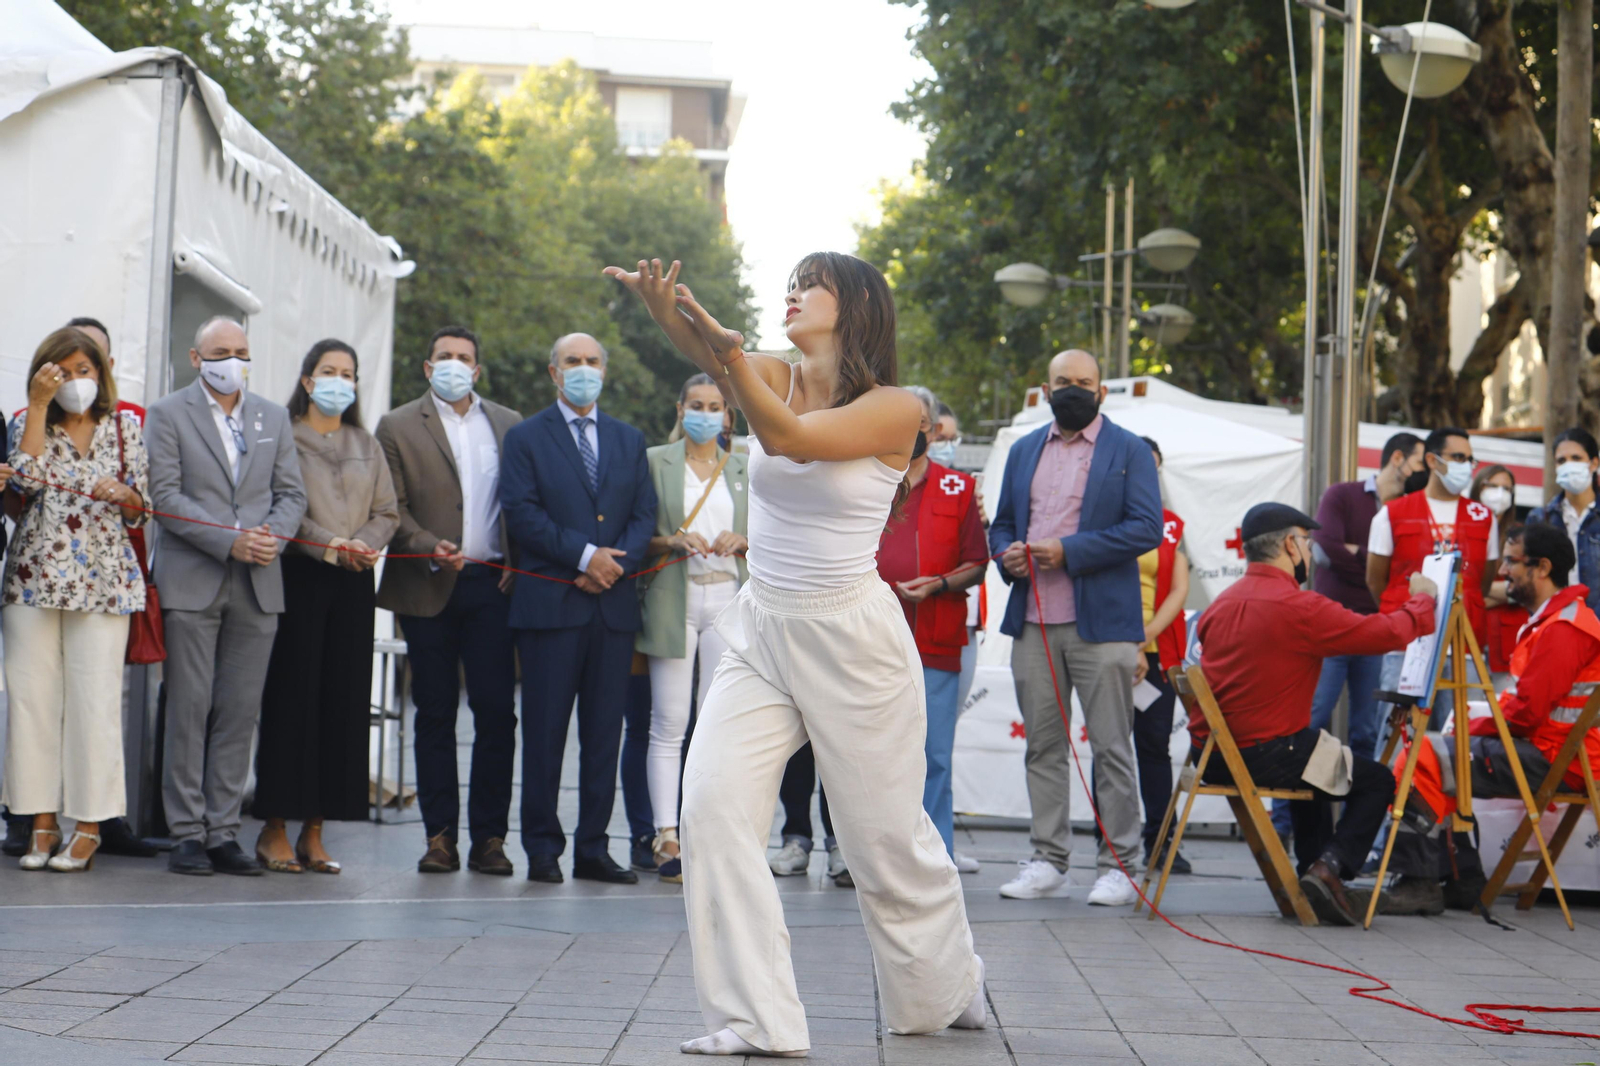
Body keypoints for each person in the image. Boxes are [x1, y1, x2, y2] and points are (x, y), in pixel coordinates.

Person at [607, 252, 986, 1057]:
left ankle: (947, 986)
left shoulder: (894, 408)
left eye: (810, 284)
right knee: (709, 808)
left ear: (853, 306)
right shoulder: (770, 371)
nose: (792, 292)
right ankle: (756, 1020)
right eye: (792, 281)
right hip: (762, 626)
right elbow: (709, 351)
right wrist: (662, 308)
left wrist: (727, 351)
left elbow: (795, 442)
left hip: (853, 640)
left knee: (882, 840)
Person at [1194, 502, 1435, 925]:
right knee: (1376, 780)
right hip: (1263, 752)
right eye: (1306, 542)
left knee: (1318, 757)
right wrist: (1422, 601)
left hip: (1211, 756)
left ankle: (1314, 872)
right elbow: (1385, 633)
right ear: (1290, 544)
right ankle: (1331, 869)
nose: (1309, 552)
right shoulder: (1300, 607)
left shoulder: (1222, 603)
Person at [987, 348, 1162, 905]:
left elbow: (1146, 529)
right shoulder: (1022, 450)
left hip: (1104, 624)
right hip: (1034, 620)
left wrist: (1071, 551)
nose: (1073, 390)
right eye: (1063, 381)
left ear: (1101, 391)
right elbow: (1003, 524)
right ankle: (1048, 858)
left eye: (1084, 382)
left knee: (1111, 746)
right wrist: (1006, 555)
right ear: (1045, 387)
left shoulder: (1129, 450)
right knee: (1043, 746)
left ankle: (1122, 865)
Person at [147, 317, 306, 876]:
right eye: (220, 352)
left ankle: (223, 831)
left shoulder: (272, 415)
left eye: (241, 352)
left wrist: (272, 539)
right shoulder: (168, 414)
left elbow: (291, 494)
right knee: (189, 708)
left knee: (240, 711)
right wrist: (229, 540)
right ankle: (186, 832)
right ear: (196, 357)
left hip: (259, 582)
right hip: (194, 577)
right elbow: (165, 496)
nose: (231, 361)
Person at [500, 333, 656, 886]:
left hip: (610, 612)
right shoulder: (524, 438)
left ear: (604, 373)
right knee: (543, 735)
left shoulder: (628, 439)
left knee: (603, 736)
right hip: (550, 608)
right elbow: (521, 513)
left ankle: (593, 847)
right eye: (573, 361)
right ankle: (542, 848)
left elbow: (644, 515)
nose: (583, 369)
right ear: (553, 371)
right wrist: (587, 557)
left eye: (592, 361)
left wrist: (614, 564)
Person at [1, 316, 157, 861]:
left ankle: (89, 825)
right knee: (32, 703)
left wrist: (126, 495)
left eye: (83, 369)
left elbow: (143, 512)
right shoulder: (28, 419)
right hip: (33, 580)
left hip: (105, 581)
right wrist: (40, 408)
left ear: (101, 373)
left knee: (95, 704)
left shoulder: (125, 428)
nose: (73, 379)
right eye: (61, 370)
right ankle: (40, 822)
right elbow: (21, 478)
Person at [1383, 523, 1596, 915]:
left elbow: (1529, 713)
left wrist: (1474, 728)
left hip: (1558, 761)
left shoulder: (1565, 627)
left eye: (1511, 561)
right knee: (1441, 756)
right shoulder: (1560, 620)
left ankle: (1419, 881)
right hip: (1557, 754)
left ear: (1543, 567)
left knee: (1424, 756)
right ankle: (1462, 878)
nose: (1501, 573)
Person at [375, 326, 521, 876]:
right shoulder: (395, 426)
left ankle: (490, 839)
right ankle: (439, 838)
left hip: (493, 589)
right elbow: (394, 504)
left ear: (477, 371)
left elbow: (521, 502)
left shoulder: (507, 425)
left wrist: (517, 560)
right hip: (426, 583)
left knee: (496, 716)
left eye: (464, 358)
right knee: (433, 713)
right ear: (427, 366)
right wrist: (425, 545)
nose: (454, 365)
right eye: (445, 357)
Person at [252, 340, 398, 874]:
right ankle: (274, 829)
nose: (340, 381)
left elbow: (388, 509)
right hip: (299, 576)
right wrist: (330, 546)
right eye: (328, 371)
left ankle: (316, 830)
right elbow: (282, 507)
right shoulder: (283, 436)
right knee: (293, 701)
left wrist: (365, 543)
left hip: (355, 582)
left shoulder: (366, 441)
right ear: (308, 381)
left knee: (342, 702)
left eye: (349, 373)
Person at [637, 372, 749, 884]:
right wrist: (669, 541)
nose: (706, 413)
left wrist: (742, 539)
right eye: (697, 404)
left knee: (716, 722)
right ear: (680, 408)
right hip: (673, 597)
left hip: (727, 597)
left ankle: (708, 830)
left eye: (716, 406)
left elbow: (770, 533)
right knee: (669, 720)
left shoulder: (745, 467)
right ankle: (666, 833)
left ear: (728, 415)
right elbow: (639, 532)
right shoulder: (656, 460)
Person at [874, 384, 987, 873]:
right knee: (875, 753)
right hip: (872, 639)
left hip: (937, 638)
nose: (915, 430)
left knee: (934, 753)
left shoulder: (959, 488)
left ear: (934, 428)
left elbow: (978, 563)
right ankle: (878, 853)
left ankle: (937, 852)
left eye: (923, 423)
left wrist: (939, 583)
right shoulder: (868, 479)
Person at [1368, 427, 1497, 727]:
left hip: (1465, 648)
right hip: (1407, 648)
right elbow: (1376, 582)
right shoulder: (1391, 514)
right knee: (1400, 740)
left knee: (1464, 744)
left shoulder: (1483, 517)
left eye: (1469, 459)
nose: (1465, 465)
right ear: (1431, 460)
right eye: (1458, 457)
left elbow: (1483, 583)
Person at [1133, 437, 1191, 873]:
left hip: (1158, 654)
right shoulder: (1104, 519)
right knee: (1110, 745)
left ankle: (1159, 840)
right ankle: (1110, 840)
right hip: (1109, 649)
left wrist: (1144, 638)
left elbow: (1179, 590)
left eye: (1155, 467)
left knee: (1155, 746)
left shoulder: (1173, 525)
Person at [1528, 427, 1599, 612]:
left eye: (1576, 458)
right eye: (1561, 460)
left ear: (1593, 463)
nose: (1569, 465)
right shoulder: (1540, 518)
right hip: (1557, 624)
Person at [1471, 465, 1523, 686]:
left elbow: (1519, 588)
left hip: (1507, 644)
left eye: (1506, 488)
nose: (1499, 493)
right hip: (1468, 638)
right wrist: (1498, 592)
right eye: (1492, 485)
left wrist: (1474, 592)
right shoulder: (1463, 528)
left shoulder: (1520, 534)